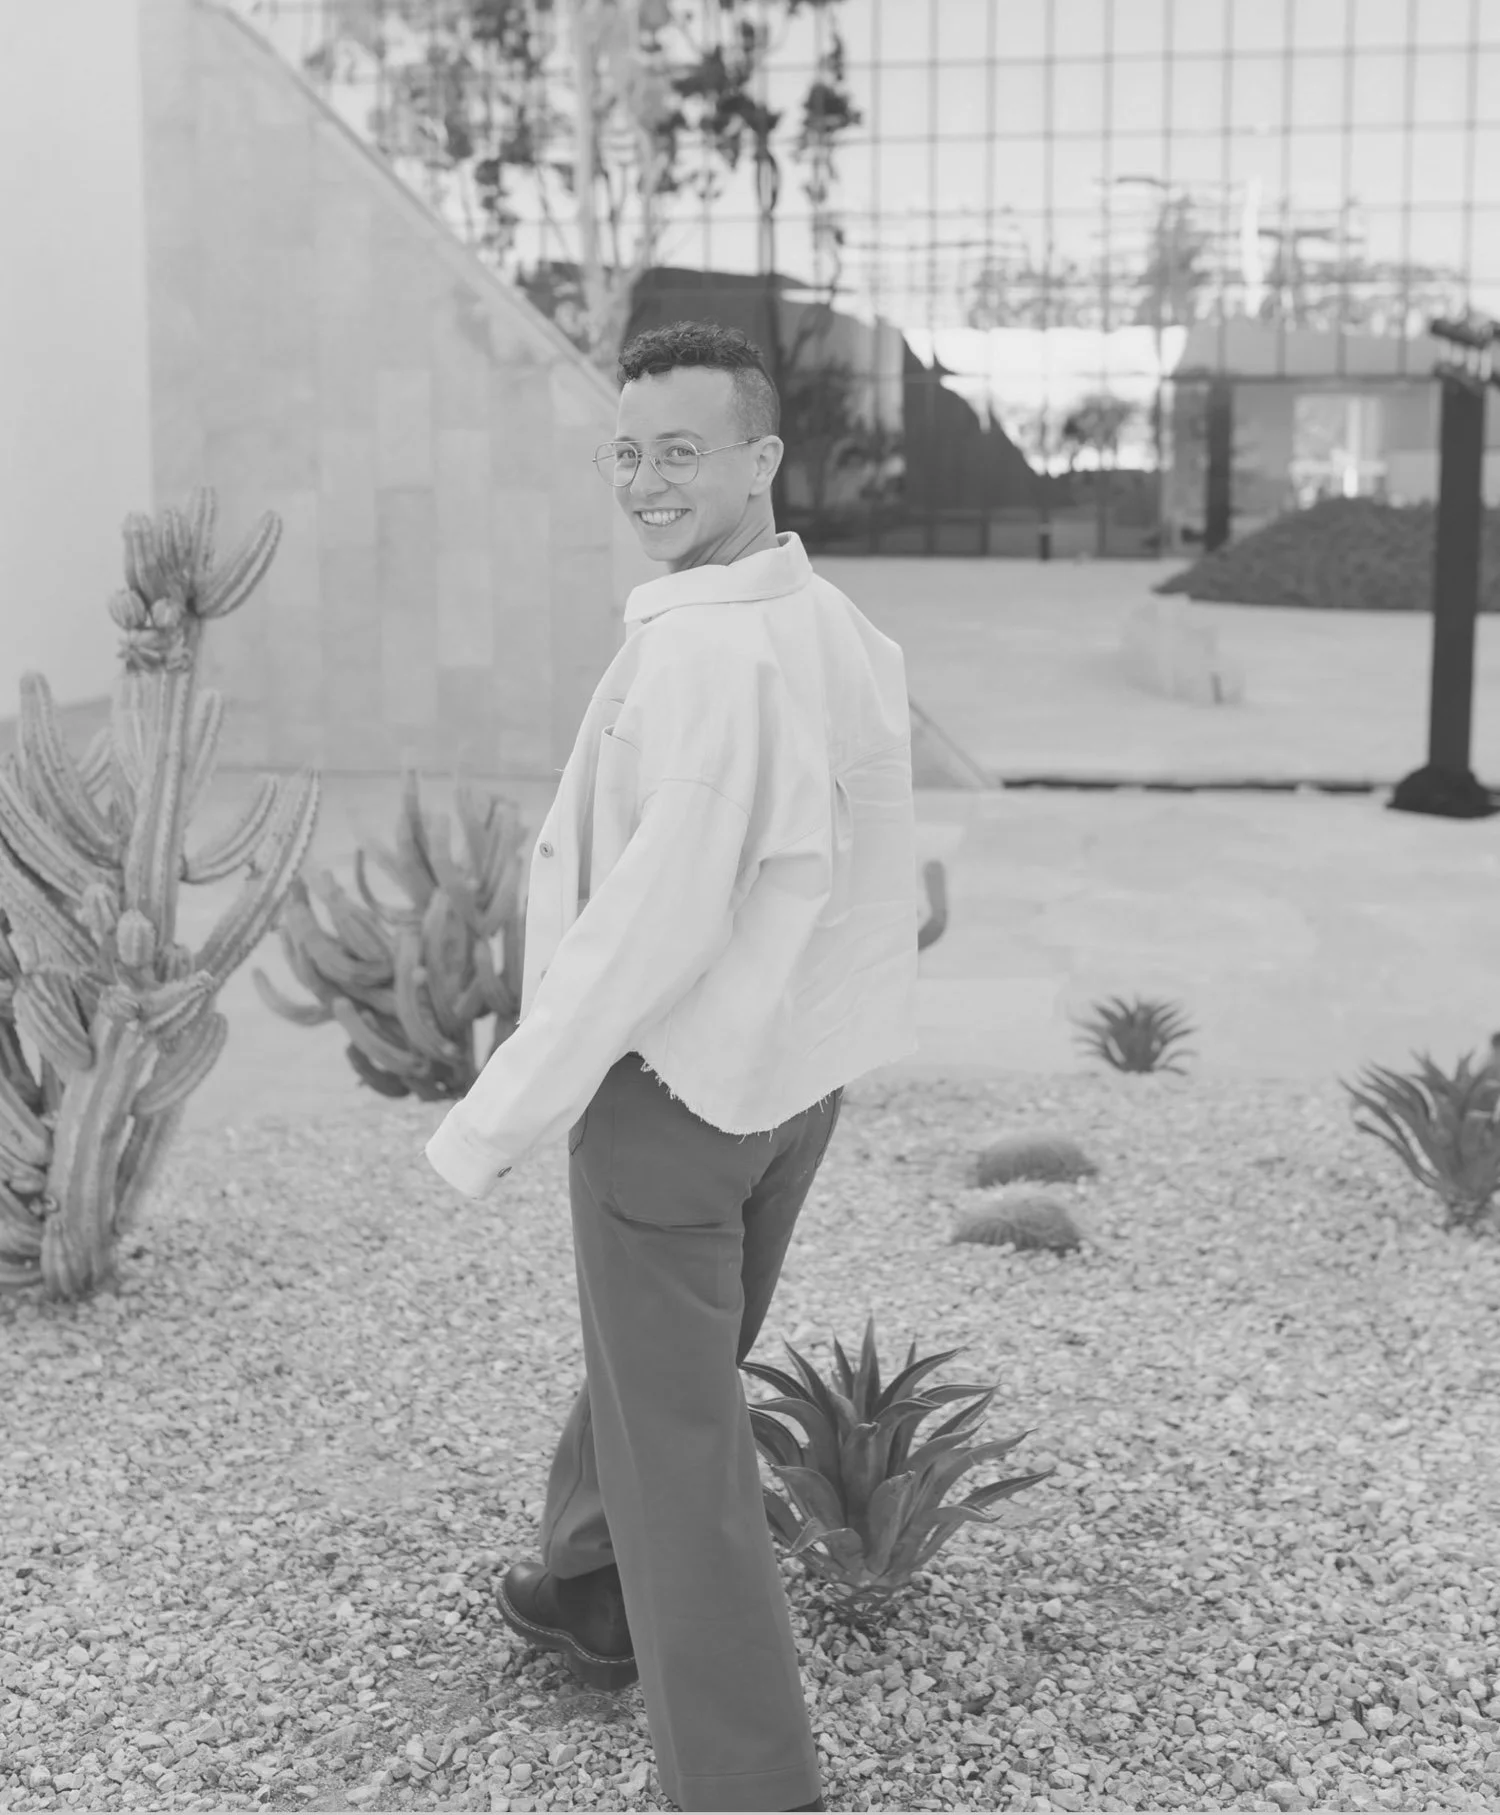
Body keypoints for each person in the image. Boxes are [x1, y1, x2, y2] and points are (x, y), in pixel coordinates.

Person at [424, 319, 920, 1814]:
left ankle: (746, 1786)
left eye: (681, 451)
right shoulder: (835, 626)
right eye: (628, 450)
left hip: (671, 1099)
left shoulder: (704, 659)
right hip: (787, 1090)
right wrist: (829, 1039)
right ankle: (587, 1577)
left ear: (762, 459)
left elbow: (637, 932)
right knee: (666, 1381)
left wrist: (491, 1120)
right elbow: (879, 854)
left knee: (685, 1458)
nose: (645, 480)